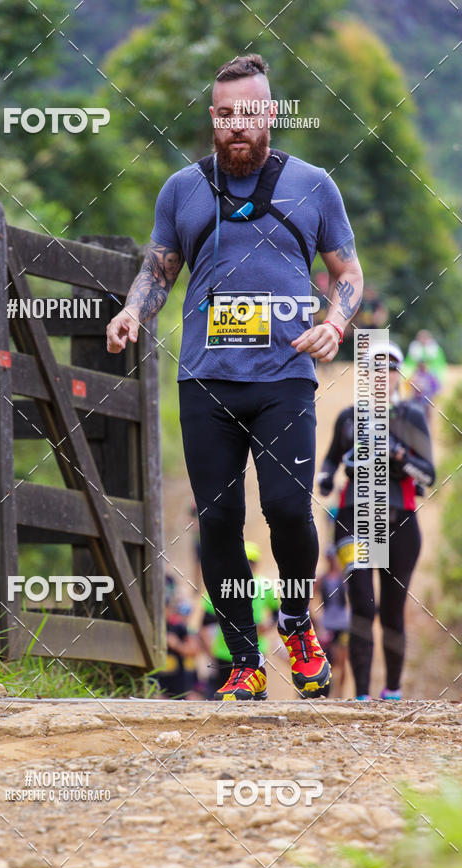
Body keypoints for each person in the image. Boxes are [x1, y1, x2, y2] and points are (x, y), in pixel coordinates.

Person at [107, 54, 363, 700]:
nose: (235, 128)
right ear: (212, 119)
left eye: (247, 115)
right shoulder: (181, 190)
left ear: (270, 114)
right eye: (223, 116)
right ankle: (245, 661)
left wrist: (335, 322)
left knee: (284, 507)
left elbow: (348, 273)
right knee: (218, 521)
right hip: (206, 381)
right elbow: (158, 270)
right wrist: (133, 311)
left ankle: (299, 628)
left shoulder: (314, 186)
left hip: (284, 377)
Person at [317, 343, 435, 700]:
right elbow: (329, 462)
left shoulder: (412, 417)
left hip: (400, 522)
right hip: (354, 520)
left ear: (400, 375)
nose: (383, 375)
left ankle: (393, 691)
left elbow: (428, 475)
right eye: (375, 369)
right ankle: (362, 696)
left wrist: (398, 454)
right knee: (363, 606)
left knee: (393, 612)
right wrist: (324, 478)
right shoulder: (348, 417)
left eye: (391, 369)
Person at [199, 541, 279, 698]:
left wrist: (268, 625)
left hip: (256, 649)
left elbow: (276, 612)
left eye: (252, 562)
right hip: (224, 652)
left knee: (253, 693)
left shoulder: (265, 586)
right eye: (245, 561)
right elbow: (205, 623)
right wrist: (210, 652)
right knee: (223, 694)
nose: (248, 566)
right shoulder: (223, 585)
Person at [313, 546, 350, 697]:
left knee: (342, 660)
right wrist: (316, 618)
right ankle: (328, 692)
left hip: (342, 624)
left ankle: (339, 692)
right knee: (329, 660)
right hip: (328, 624)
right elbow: (310, 597)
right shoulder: (323, 578)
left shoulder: (344, 578)